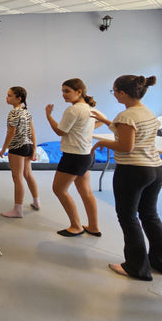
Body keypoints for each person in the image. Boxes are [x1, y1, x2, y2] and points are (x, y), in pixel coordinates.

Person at [91, 75, 162, 281]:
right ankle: (159, 261)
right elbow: (127, 131)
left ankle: (136, 267)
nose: (113, 95)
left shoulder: (126, 116)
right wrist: (107, 121)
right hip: (155, 169)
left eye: (114, 91)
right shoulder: (147, 112)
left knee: (128, 216)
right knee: (150, 215)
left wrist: (102, 143)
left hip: (133, 171)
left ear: (122, 93)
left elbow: (126, 146)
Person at [45, 78, 100, 237]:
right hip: (86, 156)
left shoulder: (73, 110)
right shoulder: (89, 108)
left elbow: (60, 131)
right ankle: (93, 227)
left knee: (59, 189)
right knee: (86, 192)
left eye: (67, 91)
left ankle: (76, 226)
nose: (64, 94)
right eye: (63, 91)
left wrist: (49, 116)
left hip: (74, 157)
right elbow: (101, 122)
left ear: (79, 92)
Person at [0, 87, 40, 218]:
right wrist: (34, 148)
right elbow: (32, 132)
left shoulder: (14, 112)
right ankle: (36, 202)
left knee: (17, 178)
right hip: (28, 146)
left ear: (19, 98)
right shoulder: (26, 112)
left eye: (10, 95)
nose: (7, 98)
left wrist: (4, 148)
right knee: (28, 174)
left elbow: (11, 132)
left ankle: (18, 210)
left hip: (17, 147)